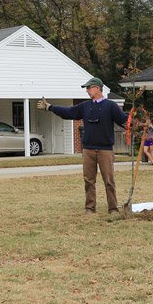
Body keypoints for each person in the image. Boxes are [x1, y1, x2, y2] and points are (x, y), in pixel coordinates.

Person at [38, 77, 128, 215]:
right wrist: (50, 107)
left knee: (109, 181)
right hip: (88, 150)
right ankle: (90, 208)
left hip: (105, 150)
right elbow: (68, 112)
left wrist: (137, 123)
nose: (86, 91)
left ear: (97, 88)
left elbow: (124, 121)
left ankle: (113, 209)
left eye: (88, 88)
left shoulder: (111, 106)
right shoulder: (85, 106)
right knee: (88, 180)